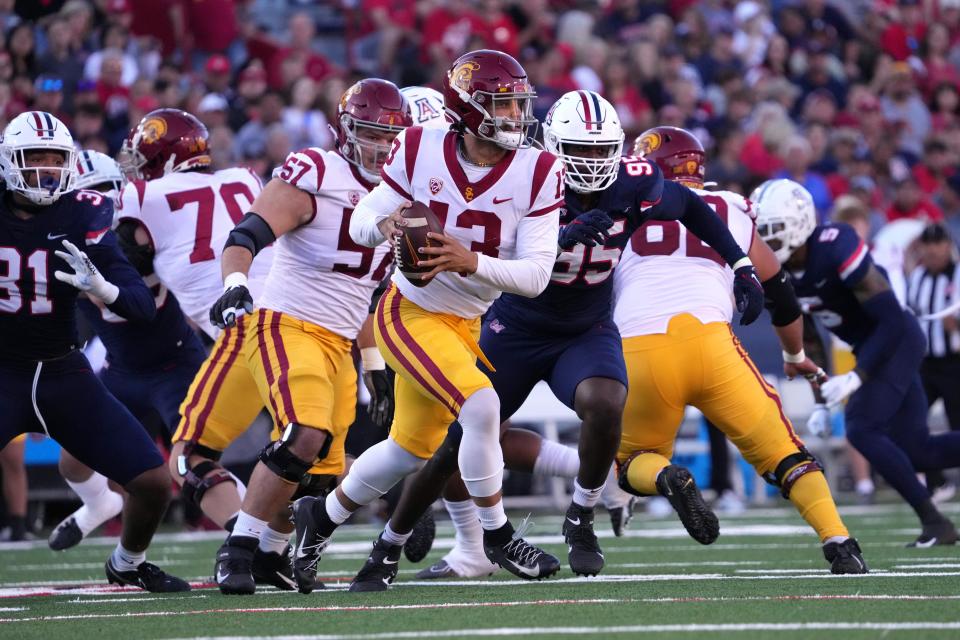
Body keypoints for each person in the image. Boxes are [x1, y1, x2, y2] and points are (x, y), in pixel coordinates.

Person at [353, 93, 767, 587]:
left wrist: (740, 264)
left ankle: (581, 515)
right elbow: (490, 245)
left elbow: (691, 208)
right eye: (580, 151)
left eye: (601, 153)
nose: (592, 164)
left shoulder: (633, 182)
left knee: (608, 401)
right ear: (552, 143)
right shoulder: (527, 171)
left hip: (584, 325)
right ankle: (394, 538)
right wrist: (565, 233)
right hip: (517, 322)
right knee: (461, 437)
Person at [291, 50, 568, 591]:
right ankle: (497, 534)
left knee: (407, 449)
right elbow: (365, 218)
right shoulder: (421, 147)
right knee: (482, 405)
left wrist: (471, 261)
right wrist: (390, 222)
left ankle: (318, 519)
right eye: (502, 104)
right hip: (410, 310)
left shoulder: (540, 169)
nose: (515, 115)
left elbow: (536, 276)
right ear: (468, 108)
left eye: (518, 103)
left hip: (467, 321)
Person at [613, 130, 865, 574]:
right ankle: (839, 543)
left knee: (630, 461)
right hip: (712, 345)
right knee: (786, 456)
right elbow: (780, 294)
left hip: (639, 347)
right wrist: (793, 356)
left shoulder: (614, 206)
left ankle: (666, 478)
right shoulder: (729, 206)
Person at [207, 78, 409, 595]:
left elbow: (364, 291)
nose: (382, 146)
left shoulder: (402, 192)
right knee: (303, 434)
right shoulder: (318, 171)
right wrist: (235, 283)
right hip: (286, 323)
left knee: (321, 473)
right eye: (370, 133)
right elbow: (247, 233)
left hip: (340, 341)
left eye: (392, 136)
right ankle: (238, 550)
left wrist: (374, 369)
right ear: (345, 131)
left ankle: (271, 554)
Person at [0, 111, 188, 591]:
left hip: (63, 373)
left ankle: (128, 563)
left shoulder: (84, 210)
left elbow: (141, 305)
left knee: (151, 481)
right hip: (3, 374)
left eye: (55, 159)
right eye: (34, 159)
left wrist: (104, 288)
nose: (46, 170)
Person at [754, 178, 960, 547]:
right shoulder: (777, 270)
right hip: (871, 344)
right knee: (919, 449)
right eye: (762, 232)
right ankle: (937, 525)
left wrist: (857, 377)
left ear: (799, 223)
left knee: (862, 428)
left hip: (896, 338)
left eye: (774, 231)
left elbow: (892, 318)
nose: (766, 241)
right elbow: (808, 333)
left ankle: (933, 520)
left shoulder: (836, 244)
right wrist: (819, 396)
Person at [48, 151, 208, 552]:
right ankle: (99, 506)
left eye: (105, 192)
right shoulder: (62, 240)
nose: (98, 204)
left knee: (197, 459)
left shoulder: (148, 236)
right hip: (122, 368)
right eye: (88, 195)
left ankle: (249, 531)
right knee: (72, 459)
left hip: (175, 364)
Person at [907, 223, 960, 500]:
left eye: (937, 244)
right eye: (927, 245)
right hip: (925, 364)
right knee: (911, 422)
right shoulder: (917, 277)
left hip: (955, 362)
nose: (932, 250)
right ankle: (937, 481)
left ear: (947, 246)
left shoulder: (958, 274)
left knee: (957, 423)